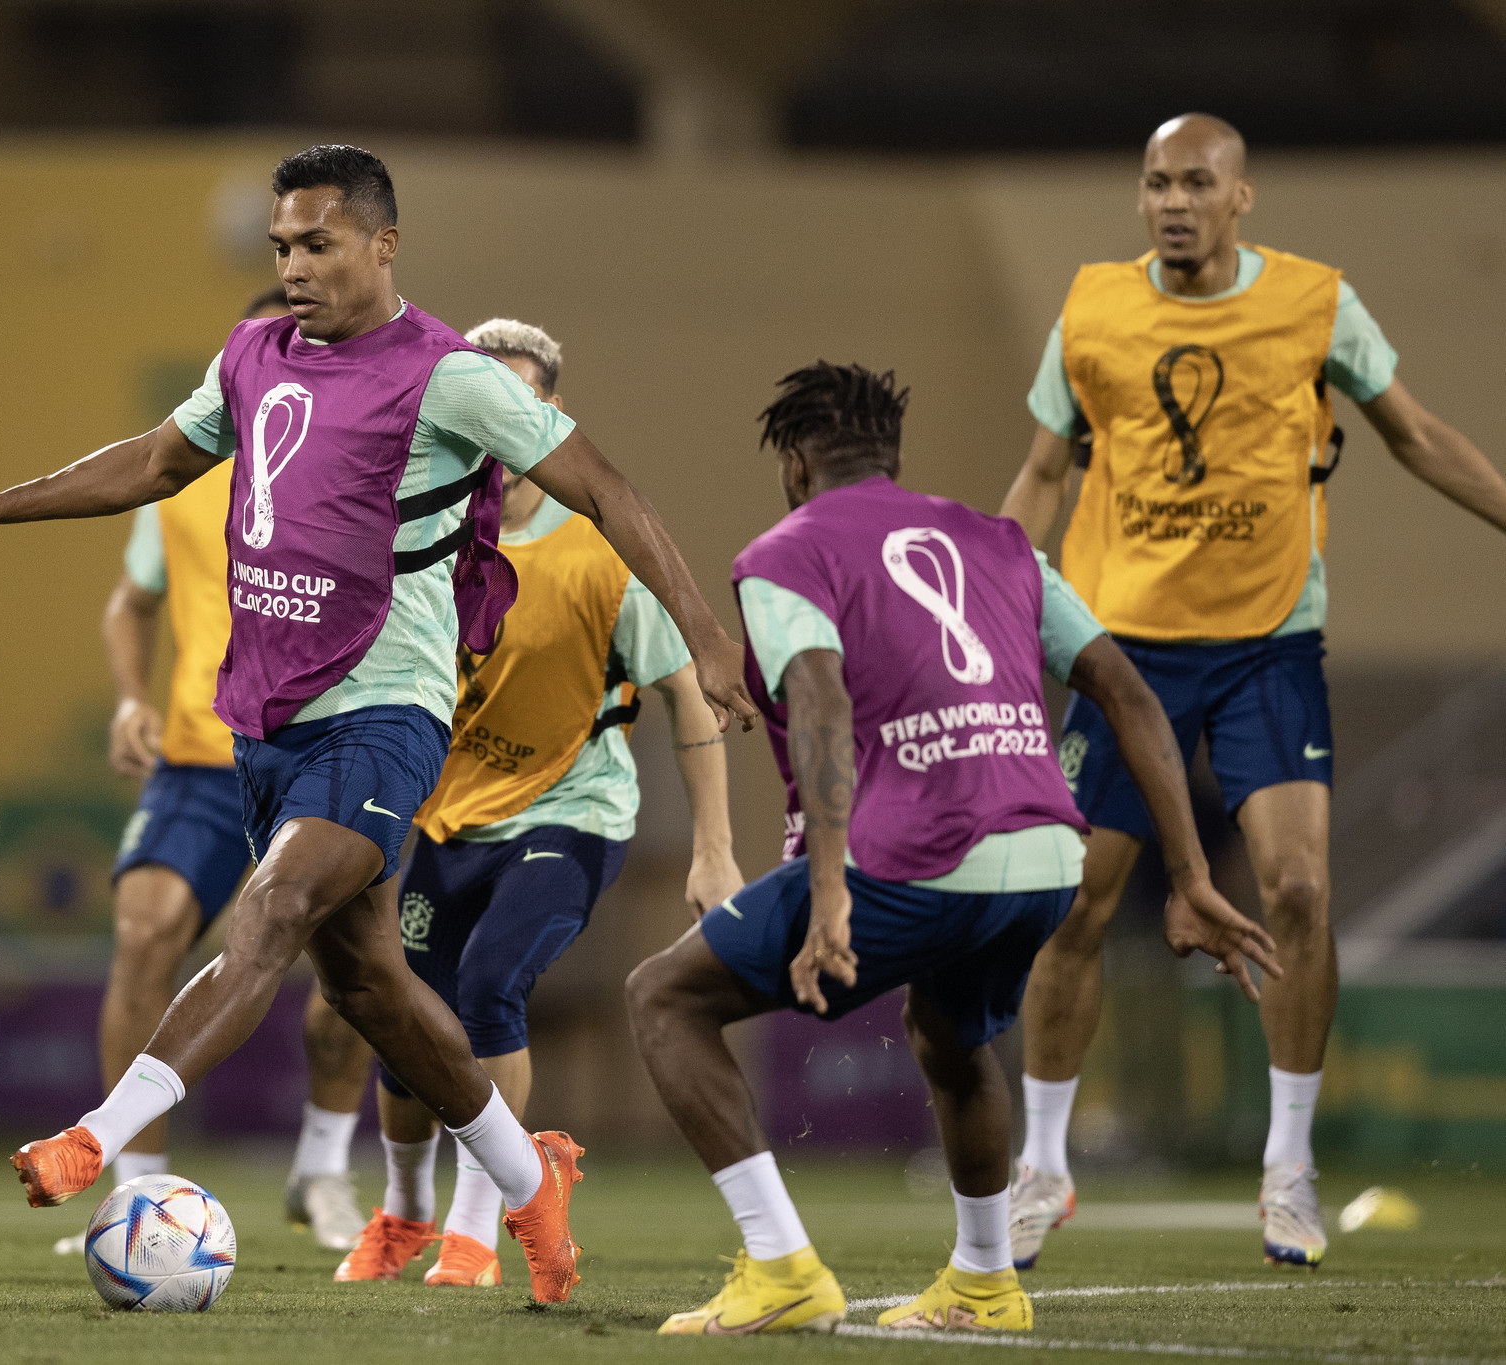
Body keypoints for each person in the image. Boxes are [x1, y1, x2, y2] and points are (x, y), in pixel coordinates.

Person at [0, 144, 757, 1305]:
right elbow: (153, 462)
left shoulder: (449, 376)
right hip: (268, 722)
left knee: (272, 910)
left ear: (383, 245)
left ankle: (96, 1138)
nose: (294, 266)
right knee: (371, 991)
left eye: (319, 244)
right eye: (282, 247)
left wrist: (703, 634)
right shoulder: (251, 356)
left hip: (385, 713)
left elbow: (609, 489)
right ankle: (528, 1178)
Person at [626, 361, 1280, 1335]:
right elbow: (1130, 694)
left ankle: (779, 1267)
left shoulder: (785, 552)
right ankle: (983, 1284)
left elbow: (818, 698)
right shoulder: (1002, 542)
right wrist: (1186, 874)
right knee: (950, 1034)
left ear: (794, 465)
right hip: (1047, 860)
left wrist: (829, 891)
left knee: (665, 998)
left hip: (918, 859)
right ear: (889, 458)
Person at [998, 113, 1506, 1270]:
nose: (1171, 202)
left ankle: (1287, 1168)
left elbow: (1415, 435)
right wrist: (984, 602)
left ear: (1241, 197)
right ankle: (1044, 1166)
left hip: (1267, 642)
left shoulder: (1315, 303)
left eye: (1194, 183)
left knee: (1297, 890)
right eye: (1155, 183)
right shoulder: (1091, 308)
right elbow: (1040, 472)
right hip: (1118, 646)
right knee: (1070, 906)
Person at [333, 319, 746, 1289]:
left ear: (550, 414)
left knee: (487, 989)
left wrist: (714, 847)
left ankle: (480, 1227)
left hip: (572, 813)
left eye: (516, 404)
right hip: (448, 820)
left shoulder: (600, 553)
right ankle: (403, 1210)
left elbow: (687, 694)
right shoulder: (425, 537)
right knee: (397, 1017)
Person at [50, 286, 378, 1257]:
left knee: (353, 975)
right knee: (143, 930)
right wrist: (129, 697)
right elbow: (131, 600)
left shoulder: (368, 460)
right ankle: (134, 1192)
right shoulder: (183, 471)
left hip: (325, 747)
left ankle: (323, 1167)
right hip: (200, 756)